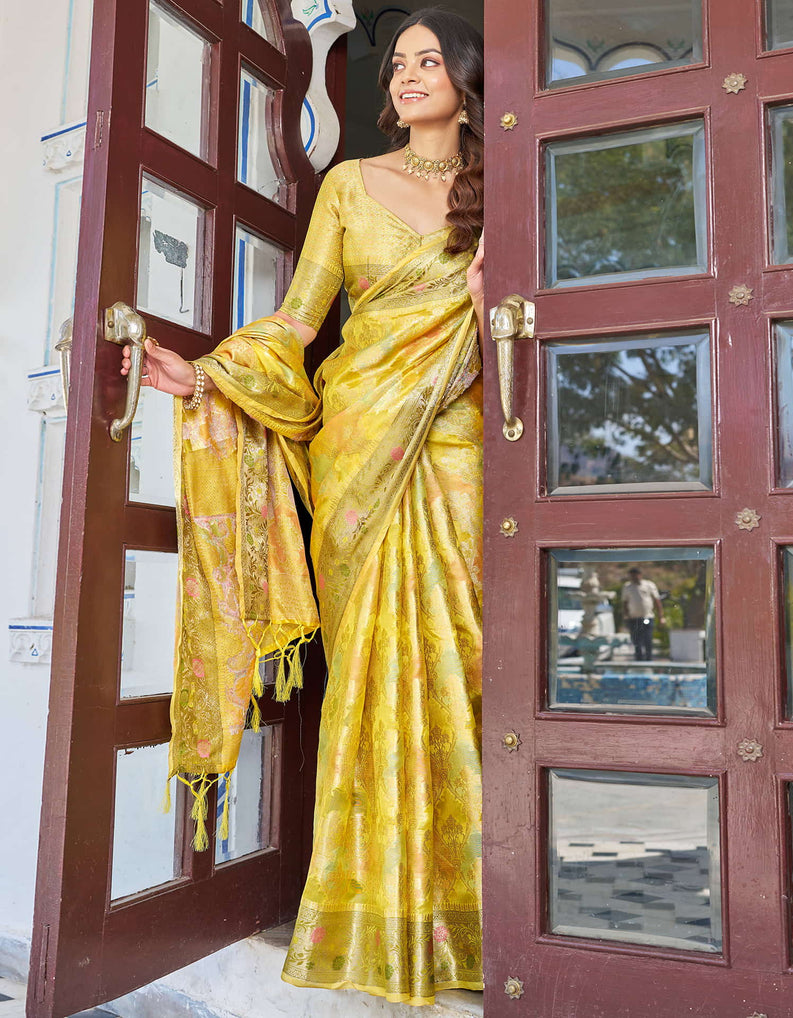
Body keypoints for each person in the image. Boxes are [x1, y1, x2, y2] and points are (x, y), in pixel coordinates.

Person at [121, 9, 484, 1006]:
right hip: (361, 446)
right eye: (398, 63)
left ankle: (475, 912)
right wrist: (206, 375)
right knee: (367, 668)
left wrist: (493, 292)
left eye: (429, 61)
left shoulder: (505, 192)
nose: (407, 75)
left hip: (460, 448)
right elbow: (298, 319)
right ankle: (368, 912)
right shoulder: (349, 184)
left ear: (466, 82)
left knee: (467, 661)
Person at [621, 567, 665, 661]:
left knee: (647, 638)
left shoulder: (648, 585)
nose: (634, 577)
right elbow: (625, 602)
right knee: (636, 640)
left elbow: (657, 601)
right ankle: (638, 659)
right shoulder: (627, 587)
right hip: (634, 618)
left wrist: (661, 616)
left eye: (635, 575)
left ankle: (649, 659)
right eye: (632, 576)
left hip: (646, 617)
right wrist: (626, 615)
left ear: (640, 575)